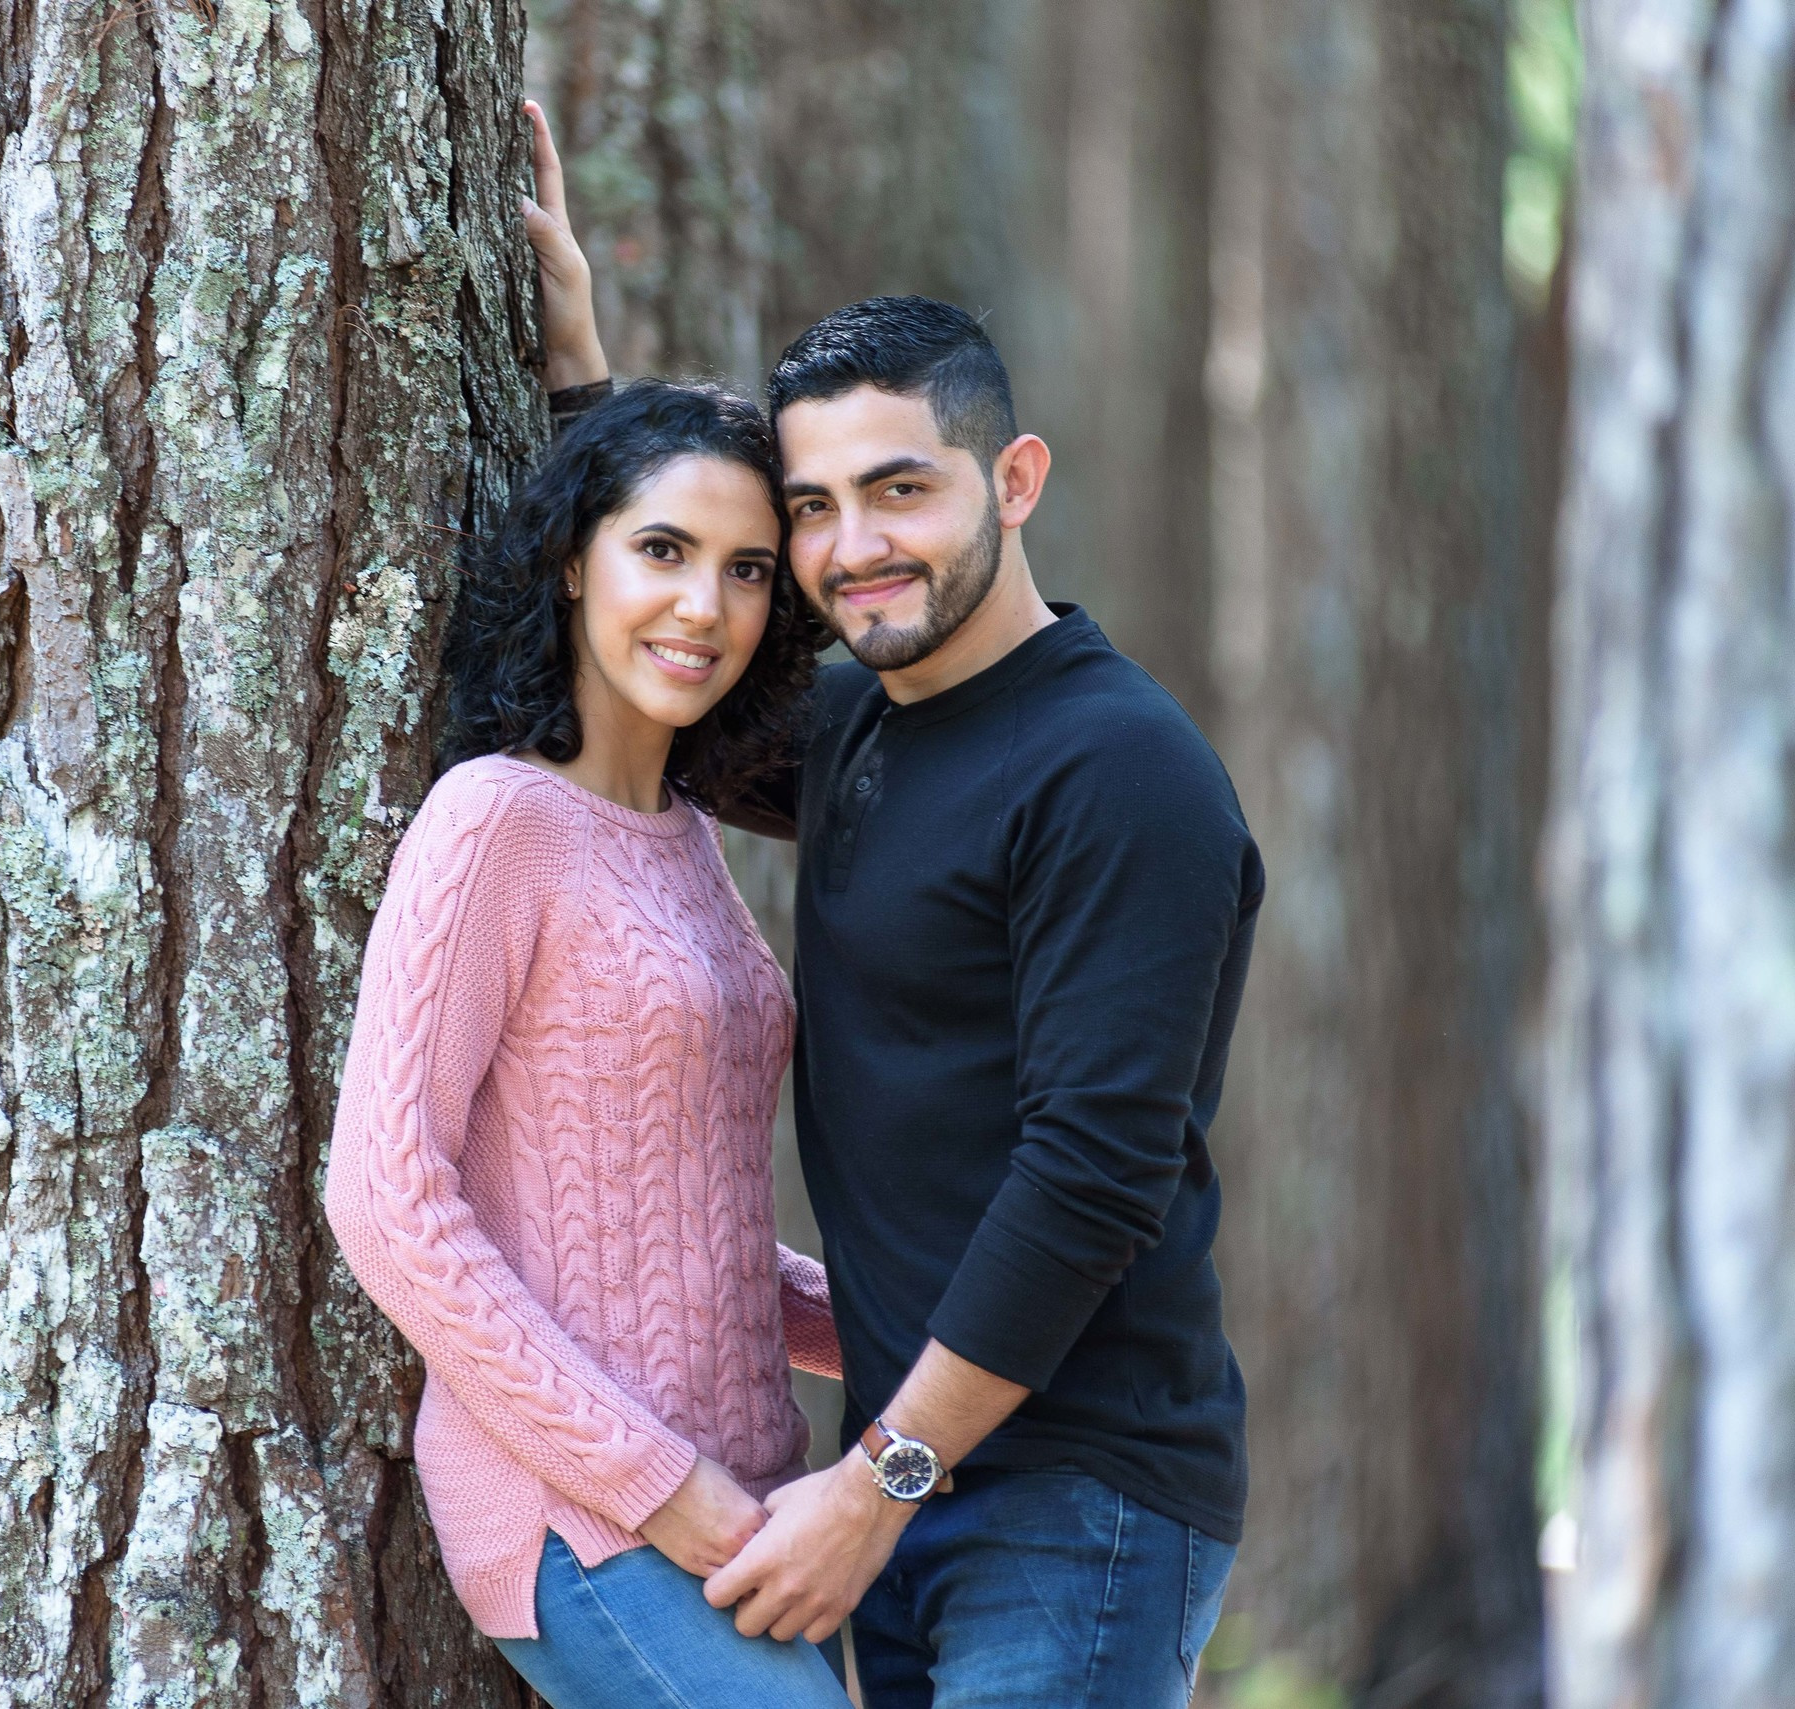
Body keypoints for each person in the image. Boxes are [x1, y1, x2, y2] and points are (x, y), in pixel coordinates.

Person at [528, 113, 1266, 1709]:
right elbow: (684, 688)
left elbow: (1093, 1174)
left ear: (1014, 477)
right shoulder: (866, 720)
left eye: (900, 491)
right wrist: (578, 375)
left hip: (1079, 1495)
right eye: (811, 506)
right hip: (915, 1469)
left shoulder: (1122, 772)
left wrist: (876, 1483)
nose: (851, 549)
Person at [322, 112, 853, 1709]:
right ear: (575, 564)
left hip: (751, 1506)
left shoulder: (686, 837)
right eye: (663, 552)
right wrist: (648, 1479)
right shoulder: (495, 821)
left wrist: (933, 1364)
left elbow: (679, 1236)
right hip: (587, 1522)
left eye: (750, 571)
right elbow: (386, 1197)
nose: (704, 603)